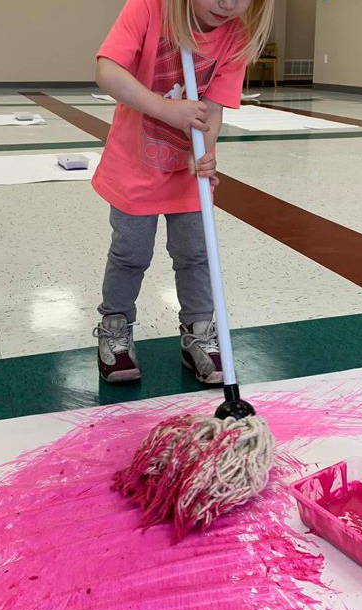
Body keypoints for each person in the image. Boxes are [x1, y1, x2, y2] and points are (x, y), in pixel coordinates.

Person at [91, 0, 275, 383]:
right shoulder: (149, 8)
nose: (229, 3)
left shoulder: (235, 36)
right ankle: (116, 328)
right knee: (130, 254)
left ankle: (199, 333)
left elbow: (213, 109)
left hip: (187, 174)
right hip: (135, 166)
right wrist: (163, 108)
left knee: (195, 255)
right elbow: (107, 70)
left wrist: (205, 154)